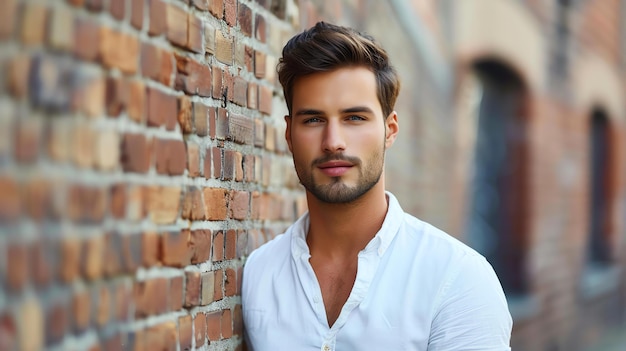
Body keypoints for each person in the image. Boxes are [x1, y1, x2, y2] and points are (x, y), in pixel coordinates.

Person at [242, 21, 512, 350]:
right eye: (313, 119)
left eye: (354, 118)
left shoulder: (459, 279)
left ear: (390, 129)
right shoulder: (259, 274)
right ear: (289, 134)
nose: (333, 142)